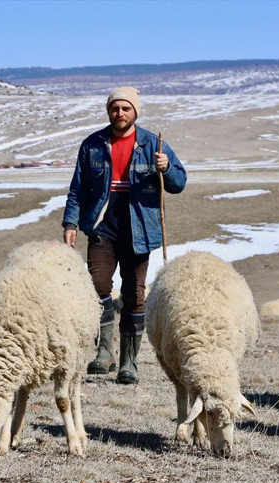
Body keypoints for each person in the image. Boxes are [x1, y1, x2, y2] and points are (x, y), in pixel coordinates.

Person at [62, 86, 187, 385]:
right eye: (115, 108)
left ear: (135, 112)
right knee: (98, 287)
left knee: (134, 294)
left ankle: (129, 362)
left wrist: (166, 168)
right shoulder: (92, 144)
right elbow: (77, 189)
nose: (120, 113)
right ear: (109, 111)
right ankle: (104, 351)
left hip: (139, 227)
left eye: (125, 108)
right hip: (103, 226)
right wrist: (71, 224)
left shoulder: (152, 144)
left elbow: (179, 183)